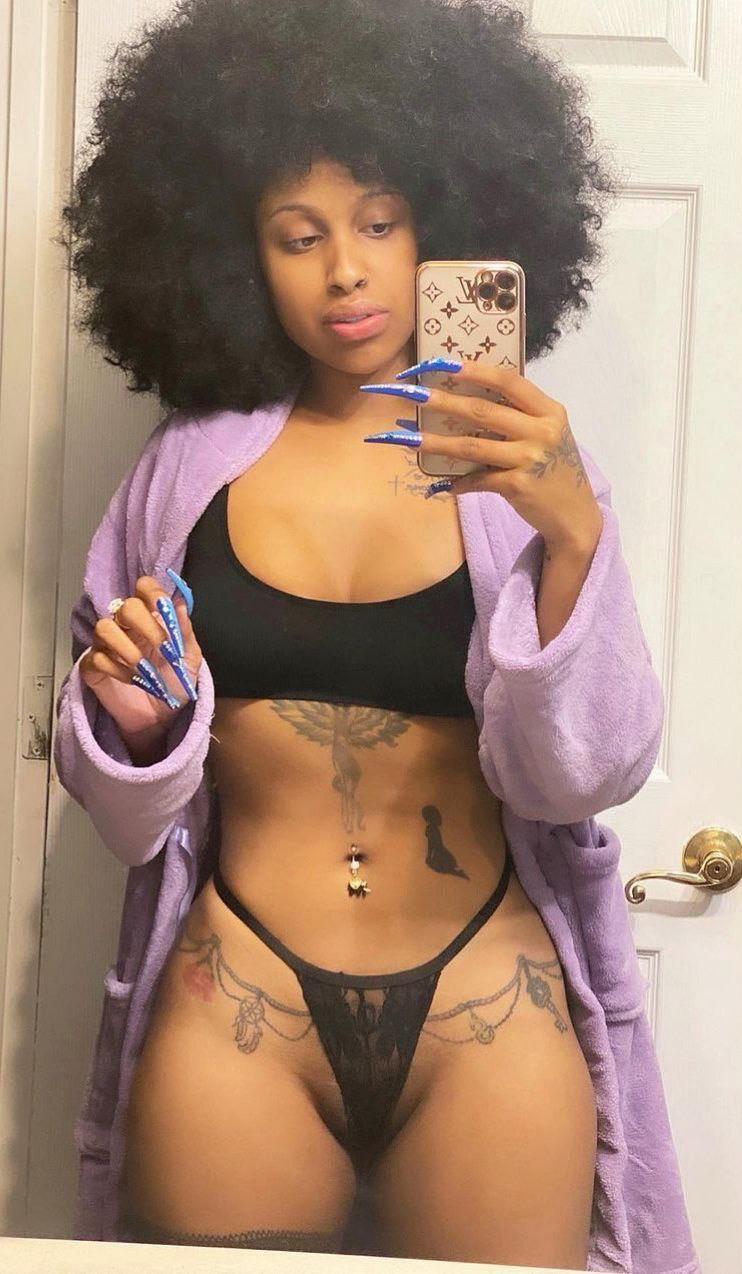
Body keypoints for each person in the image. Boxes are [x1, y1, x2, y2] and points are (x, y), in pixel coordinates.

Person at [53, 0, 700, 1268]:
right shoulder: (184, 473)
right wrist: (132, 720)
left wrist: (573, 534)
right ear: (235, 255)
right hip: (237, 1005)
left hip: (488, 1008)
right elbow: (123, 812)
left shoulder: (522, 471)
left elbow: (584, 774)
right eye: (298, 236)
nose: (344, 270)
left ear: (446, 229)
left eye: (381, 223)